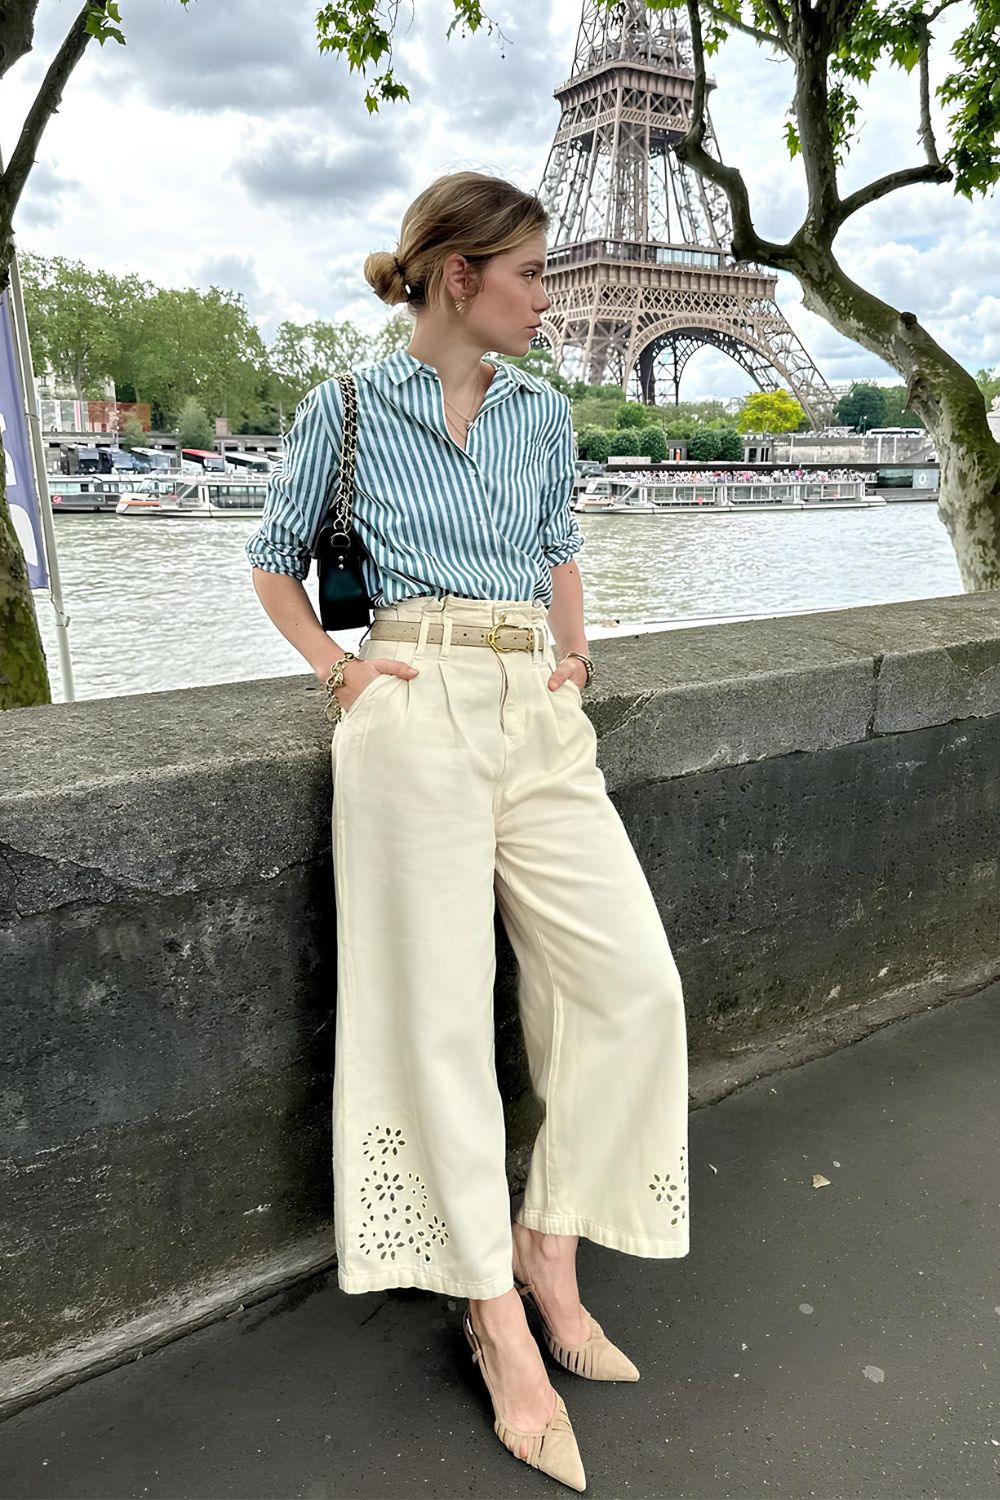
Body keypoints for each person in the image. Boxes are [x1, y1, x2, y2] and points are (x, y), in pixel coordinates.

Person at [244, 170, 689, 1493]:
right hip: (411, 702)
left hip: (534, 714)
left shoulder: (544, 410)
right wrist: (338, 671)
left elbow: (556, 543)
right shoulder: (343, 410)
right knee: (431, 1022)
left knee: (632, 985)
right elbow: (273, 554)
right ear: (460, 274)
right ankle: (497, 1321)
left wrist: (573, 657)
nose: (547, 297)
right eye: (533, 273)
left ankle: (550, 1244)